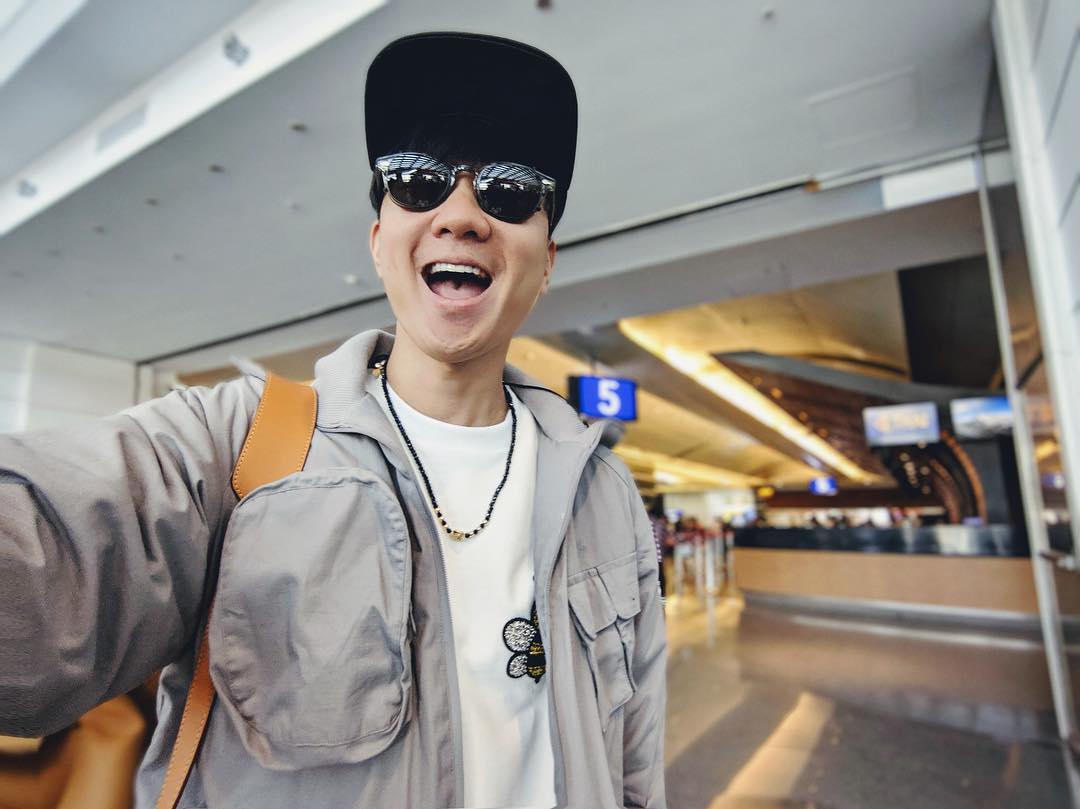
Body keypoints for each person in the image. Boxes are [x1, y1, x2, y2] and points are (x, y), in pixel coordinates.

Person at [0, 32, 667, 809]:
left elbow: (635, 760)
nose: (460, 215)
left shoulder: (603, 493)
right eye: (416, 182)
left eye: (510, 191)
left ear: (546, 260)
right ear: (380, 243)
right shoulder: (239, 448)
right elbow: (50, 548)